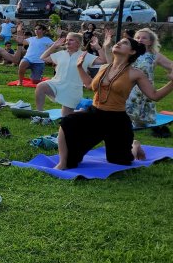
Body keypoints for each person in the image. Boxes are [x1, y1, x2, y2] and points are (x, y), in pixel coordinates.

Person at [55, 37, 173, 170]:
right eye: (119, 41)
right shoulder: (104, 67)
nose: (118, 43)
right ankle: (63, 163)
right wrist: (79, 67)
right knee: (68, 121)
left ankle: (135, 145)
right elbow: (89, 85)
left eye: (124, 43)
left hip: (117, 120)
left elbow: (154, 95)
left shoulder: (136, 73)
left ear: (132, 52)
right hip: (94, 113)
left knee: (120, 161)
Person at [35, 32, 106, 115]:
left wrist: (98, 47)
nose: (67, 42)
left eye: (71, 40)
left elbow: (103, 61)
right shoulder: (61, 54)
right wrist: (54, 46)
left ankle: (81, 111)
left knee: (66, 117)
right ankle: (39, 113)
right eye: (67, 40)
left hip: (73, 90)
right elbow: (43, 57)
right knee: (41, 86)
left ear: (78, 43)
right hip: (56, 84)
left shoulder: (85, 55)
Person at [125, 28, 173, 128]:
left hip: (146, 88)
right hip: (129, 87)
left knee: (142, 122)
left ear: (150, 42)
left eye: (144, 38)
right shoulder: (130, 53)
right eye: (137, 37)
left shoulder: (155, 56)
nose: (140, 39)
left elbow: (171, 65)